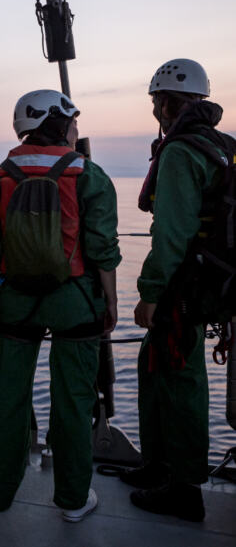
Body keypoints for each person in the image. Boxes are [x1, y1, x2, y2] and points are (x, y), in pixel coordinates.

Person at [0, 89, 119, 521]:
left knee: (7, 397)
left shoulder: (0, 174)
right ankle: (72, 500)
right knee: (73, 399)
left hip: (17, 301)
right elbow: (102, 250)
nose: (77, 129)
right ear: (55, 122)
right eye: (72, 121)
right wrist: (109, 302)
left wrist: (0, 278)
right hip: (74, 301)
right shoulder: (88, 174)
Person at [126, 59, 231, 522]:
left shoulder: (180, 152)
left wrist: (149, 291)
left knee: (181, 377)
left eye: (156, 102)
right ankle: (159, 466)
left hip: (185, 283)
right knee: (155, 365)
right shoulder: (221, 146)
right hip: (209, 277)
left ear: (168, 101)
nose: (155, 111)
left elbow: (172, 231)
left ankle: (185, 489)